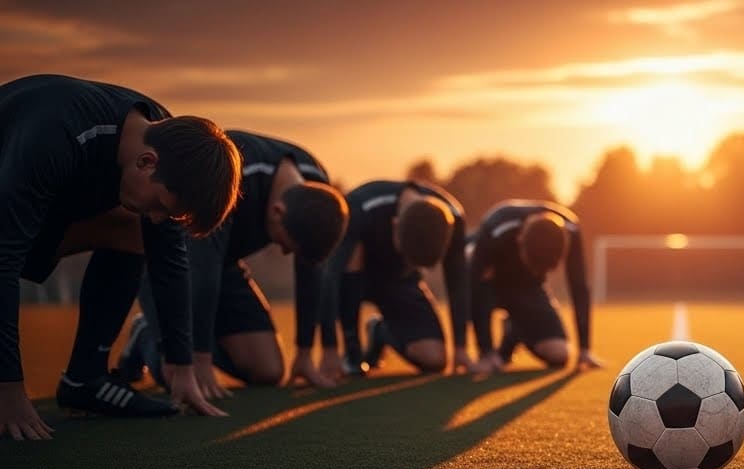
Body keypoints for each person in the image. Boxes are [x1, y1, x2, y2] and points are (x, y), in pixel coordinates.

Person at [1, 74, 240, 439]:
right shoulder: (56, 132)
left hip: (43, 211)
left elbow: (170, 263)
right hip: (10, 205)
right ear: (147, 162)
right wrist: (9, 388)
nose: (160, 218)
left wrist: (182, 367)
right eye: (162, 205)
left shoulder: (163, 134)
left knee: (137, 227)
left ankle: (86, 378)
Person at [118, 130, 348, 396]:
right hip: (171, 266)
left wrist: (305, 353)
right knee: (180, 376)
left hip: (224, 266)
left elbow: (313, 269)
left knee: (268, 372)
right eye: (286, 244)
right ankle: (148, 336)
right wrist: (199, 359)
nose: (284, 252)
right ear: (277, 211)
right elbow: (203, 268)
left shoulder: (316, 186)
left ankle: (180, 340)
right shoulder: (233, 174)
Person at [315, 178, 470, 377]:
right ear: (395, 226)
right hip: (355, 280)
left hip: (400, 282)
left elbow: (458, 281)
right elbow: (331, 275)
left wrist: (461, 347)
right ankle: (352, 348)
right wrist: (329, 348)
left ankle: (380, 331)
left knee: (435, 359)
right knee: (353, 255)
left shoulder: (453, 218)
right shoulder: (359, 207)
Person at [466, 200, 602, 373]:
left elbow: (579, 285)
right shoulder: (497, 226)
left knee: (559, 354)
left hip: (527, 288)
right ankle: (494, 352)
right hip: (489, 284)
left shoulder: (571, 230)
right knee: (474, 288)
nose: (540, 273)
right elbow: (476, 287)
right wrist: (486, 352)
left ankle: (512, 330)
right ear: (519, 239)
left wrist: (584, 349)